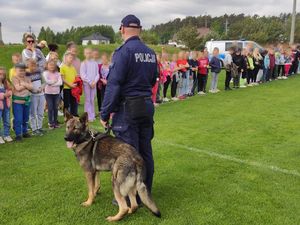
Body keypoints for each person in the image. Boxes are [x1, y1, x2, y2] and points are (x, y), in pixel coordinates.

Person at [100, 15, 158, 197]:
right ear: (139, 29)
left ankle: (129, 197)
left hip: (128, 109)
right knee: (145, 150)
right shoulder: (150, 52)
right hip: (146, 105)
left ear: (122, 29)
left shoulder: (123, 52)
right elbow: (151, 79)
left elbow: (114, 84)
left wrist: (104, 113)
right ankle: (145, 191)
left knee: (128, 155)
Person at [11, 63, 33, 141]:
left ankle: (25, 132)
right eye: (20, 70)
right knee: (18, 119)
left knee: (25, 118)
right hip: (17, 102)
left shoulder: (27, 77)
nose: (22, 72)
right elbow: (18, 88)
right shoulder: (14, 78)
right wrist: (26, 85)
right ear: (15, 70)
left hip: (27, 101)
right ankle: (18, 134)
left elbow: (32, 87)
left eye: (23, 70)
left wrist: (23, 84)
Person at [26, 59, 45, 136]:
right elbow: (28, 86)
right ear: (28, 66)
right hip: (33, 95)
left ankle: (39, 127)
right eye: (31, 66)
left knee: (40, 112)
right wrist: (34, 91)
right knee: (33, 113)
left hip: (41, 94)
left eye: (34, 65)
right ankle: (34, 129)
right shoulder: (26, 74)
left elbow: (44, 82)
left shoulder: (39, 71)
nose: (33, 67)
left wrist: (41, 88)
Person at [80, 48, 99, 122]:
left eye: (90, 53)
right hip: (87, 84)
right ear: (84, 54)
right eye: (87, 53)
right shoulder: (83, 63)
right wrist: (90, 82)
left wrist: (94, 82)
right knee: (88, 100)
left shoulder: (95, 63)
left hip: (94, 84)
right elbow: (83, 75)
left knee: (92, 99)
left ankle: (92, 115)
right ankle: (87, 116)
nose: (88, 54)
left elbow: (97, 74)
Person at [43, 60, 63, 129]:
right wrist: (54, 82)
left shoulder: (58, 73)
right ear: (47, 66)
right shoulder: (45, 73)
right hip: (48, 93)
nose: (51, 66)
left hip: (56, 93)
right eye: (50, 65)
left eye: (53, 65)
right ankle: (50, 123)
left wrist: (52, 83)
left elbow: (60, 83)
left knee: (55, 108)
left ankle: (55, 122)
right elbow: (47, 82)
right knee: (50, 107)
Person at [61, 52, 78, 116]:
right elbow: (63, 79)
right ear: (65, 58)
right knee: (67, 103)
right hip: (66, 88)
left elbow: (75, 77)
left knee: (73, 102)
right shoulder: (62, 67)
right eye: (70, 58)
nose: (71, 59)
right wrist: (70, 85)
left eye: (72, 58)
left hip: (73, 88)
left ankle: (73, 114)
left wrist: (77, 82)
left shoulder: (73, 67)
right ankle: (66, 115)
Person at [0, 67, 13, 144]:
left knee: (7, 121)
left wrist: (9, 93)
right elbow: (3, 95)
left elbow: (10, 90)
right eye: (0, 74)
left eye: (3, 74)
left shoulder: (5, 83)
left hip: (6, 105)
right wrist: (3, 95)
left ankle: (6, 134)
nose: (1, 76)